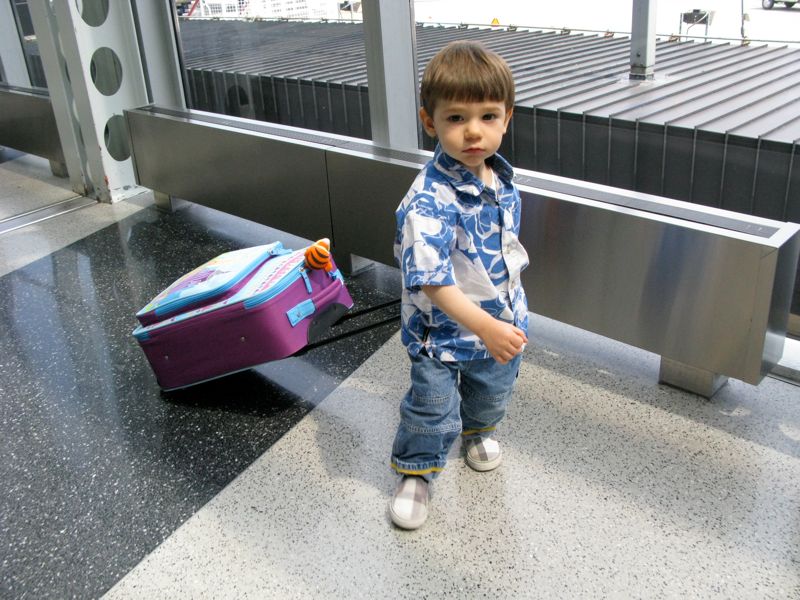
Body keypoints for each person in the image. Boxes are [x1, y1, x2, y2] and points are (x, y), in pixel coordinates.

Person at [389, 40, 530, 529]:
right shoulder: (429, 199)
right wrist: (486, 327)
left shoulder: (501, 180)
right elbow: (431, 281)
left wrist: (502, 320)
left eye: (489, 116)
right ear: (430, 122)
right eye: (456, 118)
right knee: (431, 406)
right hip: (442, 334)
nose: (474, 131)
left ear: (507, 117)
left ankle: (479, 430)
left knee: (492, 390)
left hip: (499, 323)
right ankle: (416, 471)